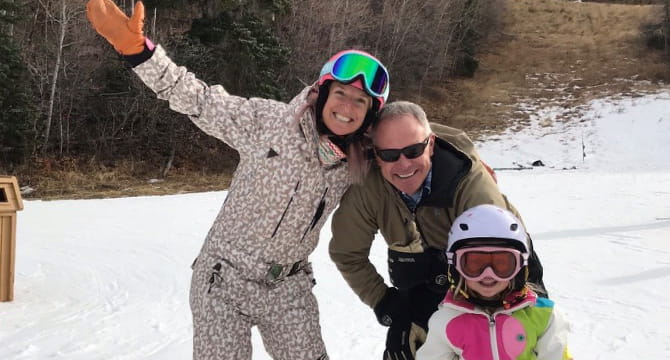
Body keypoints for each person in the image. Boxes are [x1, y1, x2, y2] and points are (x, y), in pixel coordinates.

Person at [85, 1, 390, 359]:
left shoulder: (361, 161)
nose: (347, 106)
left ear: (370, 114)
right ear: (321, 93)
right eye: (340, 93)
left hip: (287, 286)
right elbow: (198, 99)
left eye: (360, 101)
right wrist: (139, 53)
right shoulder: (269, 123)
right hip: (223, 279)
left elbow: (411, 143)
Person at [328, 101, 546, 359]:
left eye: (413, 151)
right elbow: (347, 252)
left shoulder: (473, 190)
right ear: (376, 155)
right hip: (424, 285)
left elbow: (497, 278)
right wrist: (388, 304)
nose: (403, 165)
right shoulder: (369, 189)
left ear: (430, 145)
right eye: (389, 155)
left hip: (500, 274)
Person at [416, 204, 571, 360]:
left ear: (519, 268)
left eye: (502, 264)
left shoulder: (544, 316)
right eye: (475, 264)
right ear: (456, 268)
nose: (488, 274)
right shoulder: (446, 321)